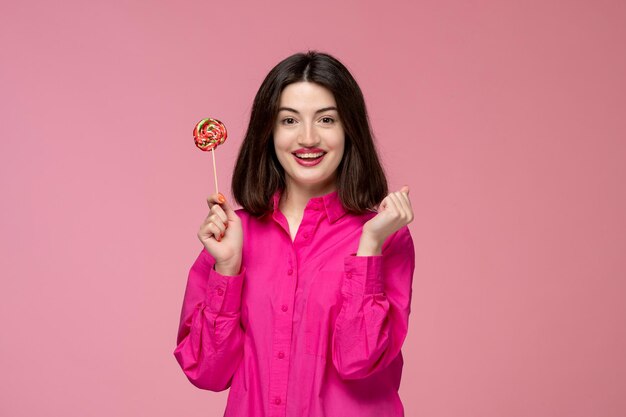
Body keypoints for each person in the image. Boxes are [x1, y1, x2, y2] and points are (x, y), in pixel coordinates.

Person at [173, 51, 416, 417]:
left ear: (349, 129)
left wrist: (368, 249)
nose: (307, 138)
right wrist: (227, 268)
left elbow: (359, 362)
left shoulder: (384, 237)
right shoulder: (232, 235)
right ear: (268, 132)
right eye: (289, 120)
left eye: (326, 120)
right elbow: (206, 372)